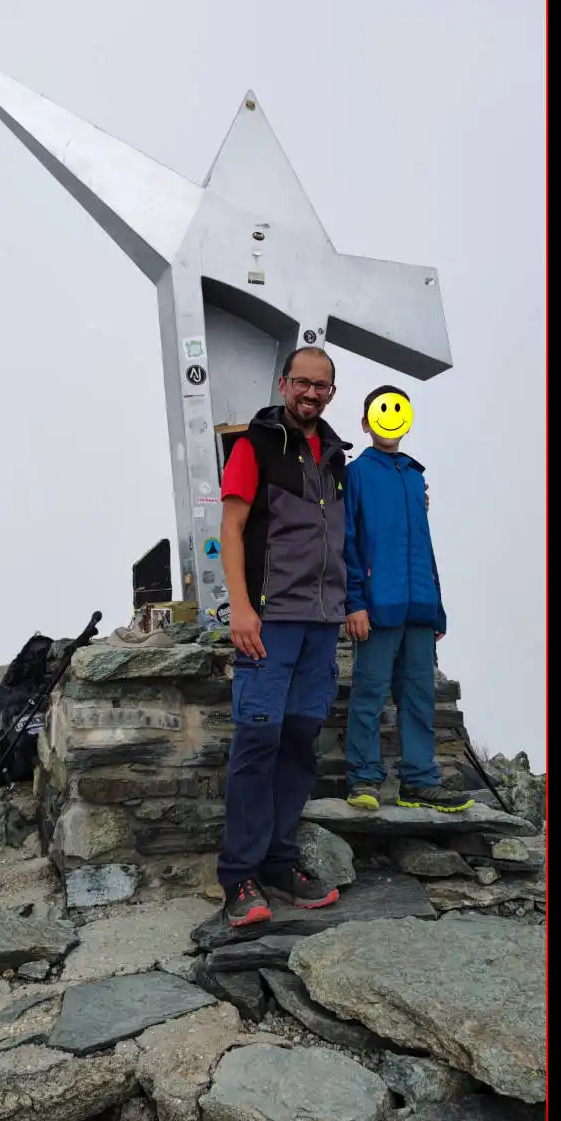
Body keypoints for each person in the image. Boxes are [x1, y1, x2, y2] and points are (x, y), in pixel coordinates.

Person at [215, 346, 349, 927]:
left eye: (321, 386)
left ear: (331, 393)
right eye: (302, 383)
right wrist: (241, 608)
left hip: (322, 625)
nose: (311, 394)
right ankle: (240, 877)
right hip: (268, 623)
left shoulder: (338, 458)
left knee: (298, 744)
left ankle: (279, 861)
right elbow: (230, 528)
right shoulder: (255, 444)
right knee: (256, 743)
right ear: (283, 383)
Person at [342, 384, 473, 814]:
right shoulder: (356, 473)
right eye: (381, 411)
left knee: (418, 695)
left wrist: (436, 609)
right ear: (366, 422)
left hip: (418, 608)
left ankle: (418, 781)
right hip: (377, 607)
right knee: (370, 692)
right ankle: (363, 779)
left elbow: (424, 546)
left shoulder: (416, 477)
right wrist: (354, 603)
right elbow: (349, 540)